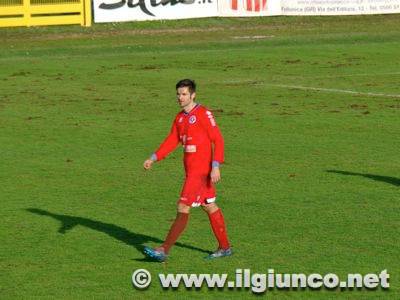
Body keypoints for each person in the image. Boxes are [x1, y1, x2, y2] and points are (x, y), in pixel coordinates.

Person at [142, 79, 232, 262]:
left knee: (183, 206)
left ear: (193, 95)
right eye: (178, 94)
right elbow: (172, 140)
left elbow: (219, 139)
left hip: (199, 173)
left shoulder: (203, 114)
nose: (180, 97)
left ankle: (164, 249)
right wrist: (154, 157)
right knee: (209, 206)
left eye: (184, 94)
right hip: (191, 172)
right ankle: (225, 248)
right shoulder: (180, 118)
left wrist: (216, 166)